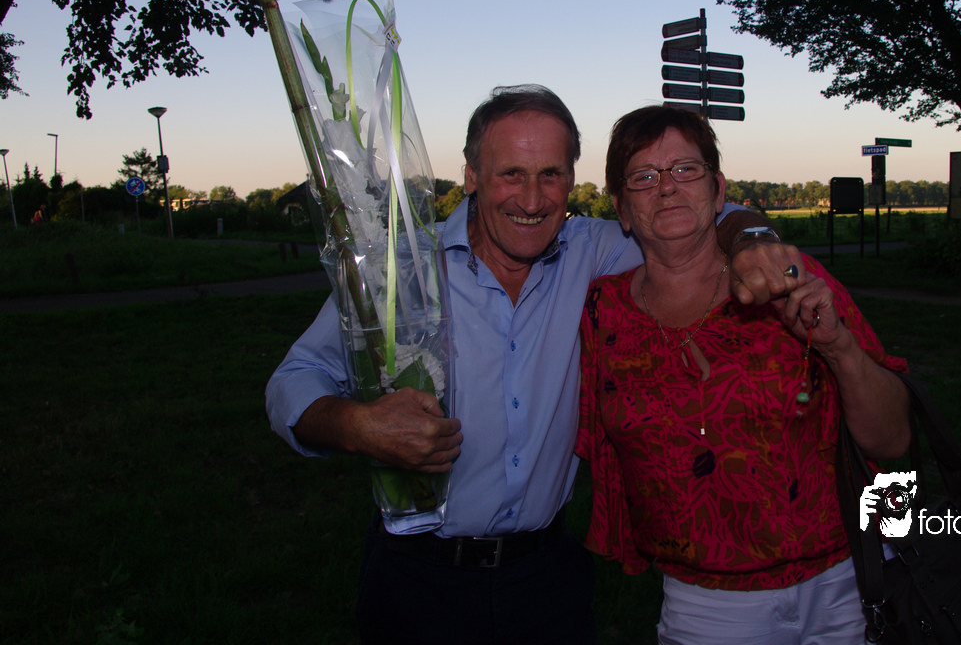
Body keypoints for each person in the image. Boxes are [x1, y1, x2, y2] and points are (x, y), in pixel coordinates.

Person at [265, 85, 806, 645]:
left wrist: (752, 239)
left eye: (550, 174)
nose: (531, 199)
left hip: (548, 583)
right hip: (417, 580)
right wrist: (356, 426)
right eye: (511, 174)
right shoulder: (402, 272)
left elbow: (703, 215)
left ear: (571, 180)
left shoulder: (594, 251)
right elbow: (292, 380)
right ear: (472, 176)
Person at [576, 105, 911, 645]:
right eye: (643, 177)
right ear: (621, 208)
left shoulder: (788, 278)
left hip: (847, 580)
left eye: (686, 169)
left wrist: (839, 348)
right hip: (706, 604)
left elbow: (893, 441)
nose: (667, 187)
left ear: (718, 190)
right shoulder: (602, 312)